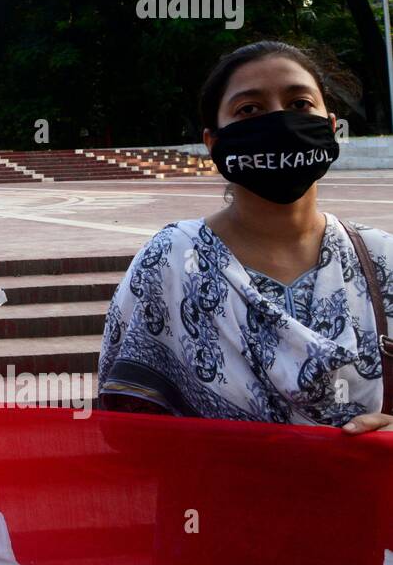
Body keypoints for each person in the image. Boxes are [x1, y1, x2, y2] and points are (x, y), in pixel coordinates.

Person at [98, 40, 393, 432]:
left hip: (365, 495)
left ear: (331, 126)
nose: (279, 121)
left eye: (299, 104)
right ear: (213, 143)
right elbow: (124, 426)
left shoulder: (380, 259)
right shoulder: (168, 263)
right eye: (249, 109)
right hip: (209, 495)